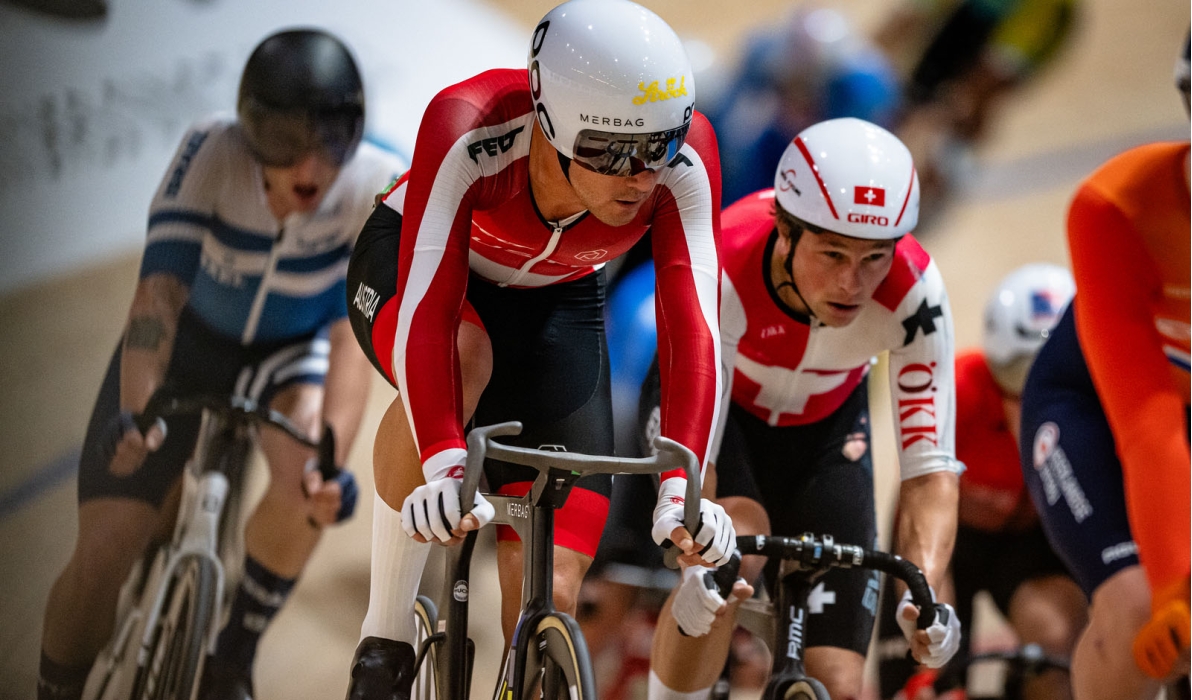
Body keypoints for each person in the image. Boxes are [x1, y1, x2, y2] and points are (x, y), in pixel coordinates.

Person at [341, 1, 736, 697]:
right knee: (464, 355)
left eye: (660, 147)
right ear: (551, 122)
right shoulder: (469, 124)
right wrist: (440, 460)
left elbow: (692, 328)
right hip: (426, 276)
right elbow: (431, 312)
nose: (643, 176)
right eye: (613, 153)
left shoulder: (687, 157)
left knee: (551, 587)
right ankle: (385, 638)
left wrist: (681, 485)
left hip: (557, 302)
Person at [36, 29, 404, 700]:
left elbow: (354, 338)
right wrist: (137, 410)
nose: (309, 170)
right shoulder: (212, 151)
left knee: (309, 493)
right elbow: (158, 299)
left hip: (291, 357)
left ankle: (232, 655)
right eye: (285, 143)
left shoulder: (379, 182)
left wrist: (328, 459)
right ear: (249, 130)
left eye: (327, 143)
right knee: (104, 550)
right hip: (191, 347)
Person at [643, 117, 964, 700]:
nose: (853, 283)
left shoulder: (916, 294)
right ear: (785, 233)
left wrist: (929, 595)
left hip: (826, 431)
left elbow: (930, 471)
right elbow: (702, 451)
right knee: (729, 560)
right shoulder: (727, 262)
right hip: (720, 421)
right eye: (834, 253)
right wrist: (696, 561)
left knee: (840, 681)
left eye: (874, 259)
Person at [1017, 35, 1190, 700]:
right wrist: (1176, 586)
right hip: (1092, 407)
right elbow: (1148, 424)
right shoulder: (1117, 206)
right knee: (1141, 609)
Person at [874, 264, 1087, 700]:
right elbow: (920, 506)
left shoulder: (1093, 396)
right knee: (924, 672)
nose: (1033, 391)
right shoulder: (957, 387)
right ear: (994, 362)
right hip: (949, 538)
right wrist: (926, 609)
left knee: (1057, 649)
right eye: (1017, 373)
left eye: (1050, 371)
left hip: (1031, 544)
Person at [703, 4, 901, 206]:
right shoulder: (763, 53)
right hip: (776, 137)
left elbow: (854, 147)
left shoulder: (864, 88)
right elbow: (733, 114)